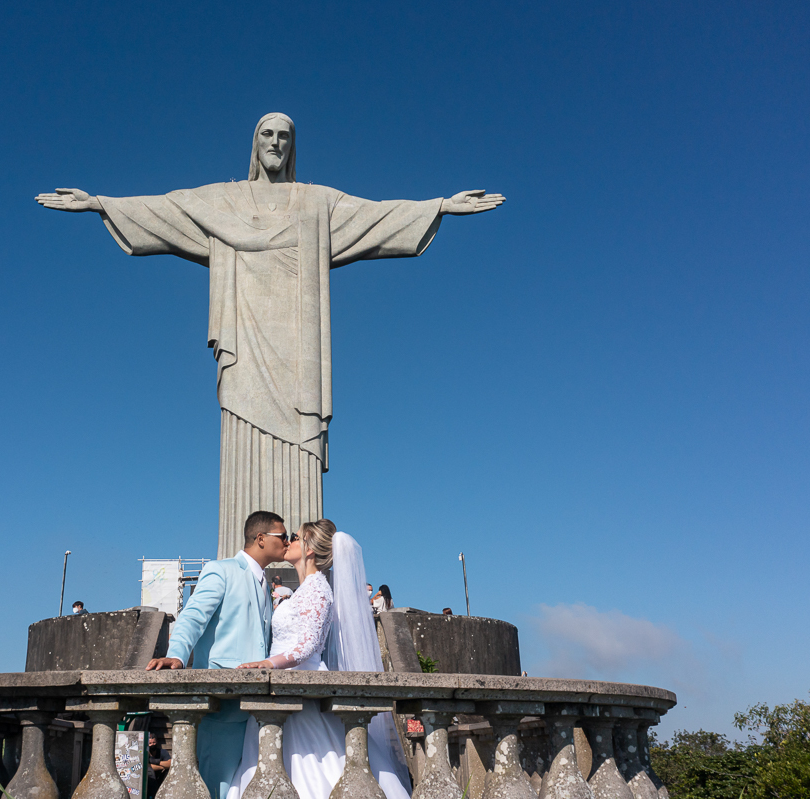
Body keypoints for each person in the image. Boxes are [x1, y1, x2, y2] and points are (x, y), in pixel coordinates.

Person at [36, 114, 504, 558]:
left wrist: (439, 206)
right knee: (241, 426)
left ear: (292, 146)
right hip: (245, 336)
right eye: (267, 135)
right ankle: (239, 552)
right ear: (255, 145)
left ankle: (304, 555)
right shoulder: (225, 201)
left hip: (298, 347)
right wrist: (100, 203)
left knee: (299, 434)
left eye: (284, 136)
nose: (276, 143)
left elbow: (375, 217)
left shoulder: (317, 202)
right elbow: (167, 209)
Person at [227, 521, 412, 799]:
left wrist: (268, 664)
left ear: (309, 549)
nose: (289, 541)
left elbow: (307, 646)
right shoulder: (304, 590)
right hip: (281, 688)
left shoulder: (318, 590)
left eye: (296, 537)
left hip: (301, 692)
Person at [145, 510, 287, 799]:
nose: (288, 541)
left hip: (255, 704)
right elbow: (193, 616)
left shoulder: (264, 582)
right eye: (282, 536)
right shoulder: (221, 570)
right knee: (215, 787)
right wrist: (177, 655)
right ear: (261, 539)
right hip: (223, 703)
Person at [147, 732, 171, 798]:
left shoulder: (162, 752)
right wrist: (162, 767)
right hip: (149, 779)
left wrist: (157, 762)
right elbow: (148, 767)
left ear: (157, 742)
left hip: (161, 778)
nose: (152, 745)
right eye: (150, 743)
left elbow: (170, 764)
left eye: (154, 742)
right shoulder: (146, 754)